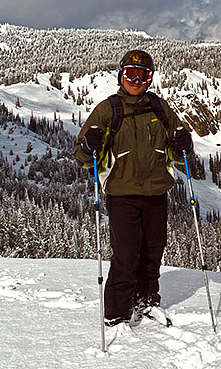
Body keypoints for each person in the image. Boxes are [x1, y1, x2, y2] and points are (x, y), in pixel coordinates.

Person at [75, 49, 193, 329]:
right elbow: (83, 157)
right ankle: (116, 312)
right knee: (126, 253)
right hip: (122, 193)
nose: (137, 80)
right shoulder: (108, 109)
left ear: (150, 78)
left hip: (156, 193)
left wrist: (183, 145)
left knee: (153, 250)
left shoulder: (160, 109)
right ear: (121, 75)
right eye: (131, 74)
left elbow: (179, 153)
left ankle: (147, 300)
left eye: (143, 75)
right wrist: (89, 145)